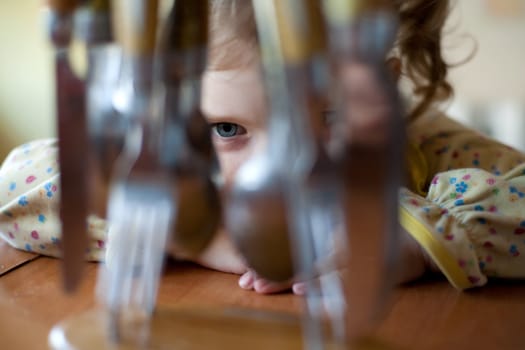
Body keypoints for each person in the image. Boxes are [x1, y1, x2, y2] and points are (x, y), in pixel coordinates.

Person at [1, 0, 524, 295]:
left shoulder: (417, 136)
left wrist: (415, 242)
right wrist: (196, 236)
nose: (286, 167)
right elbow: (17, 187)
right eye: (227, 130)